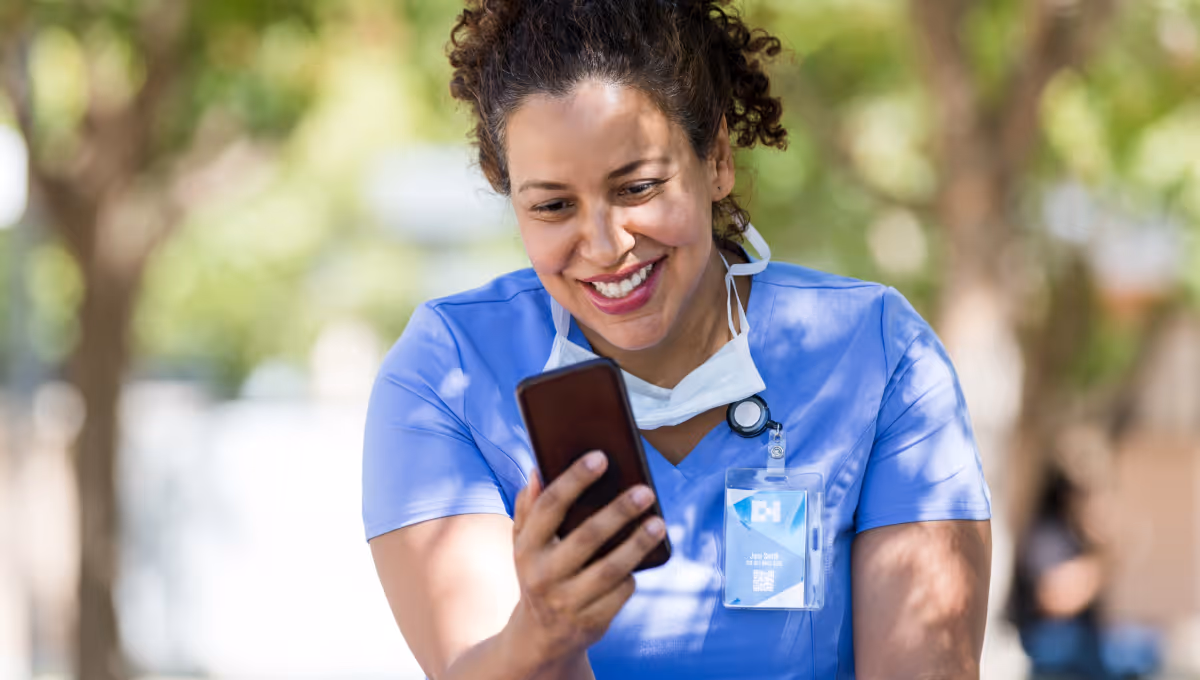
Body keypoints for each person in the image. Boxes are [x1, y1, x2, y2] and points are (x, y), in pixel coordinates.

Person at [363, 1, 992, 678]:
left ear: (716, 159)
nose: (606, 247)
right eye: (551, 205)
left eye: (638, 187)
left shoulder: (878, 357)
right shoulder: (448, 375)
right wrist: (541, 636)